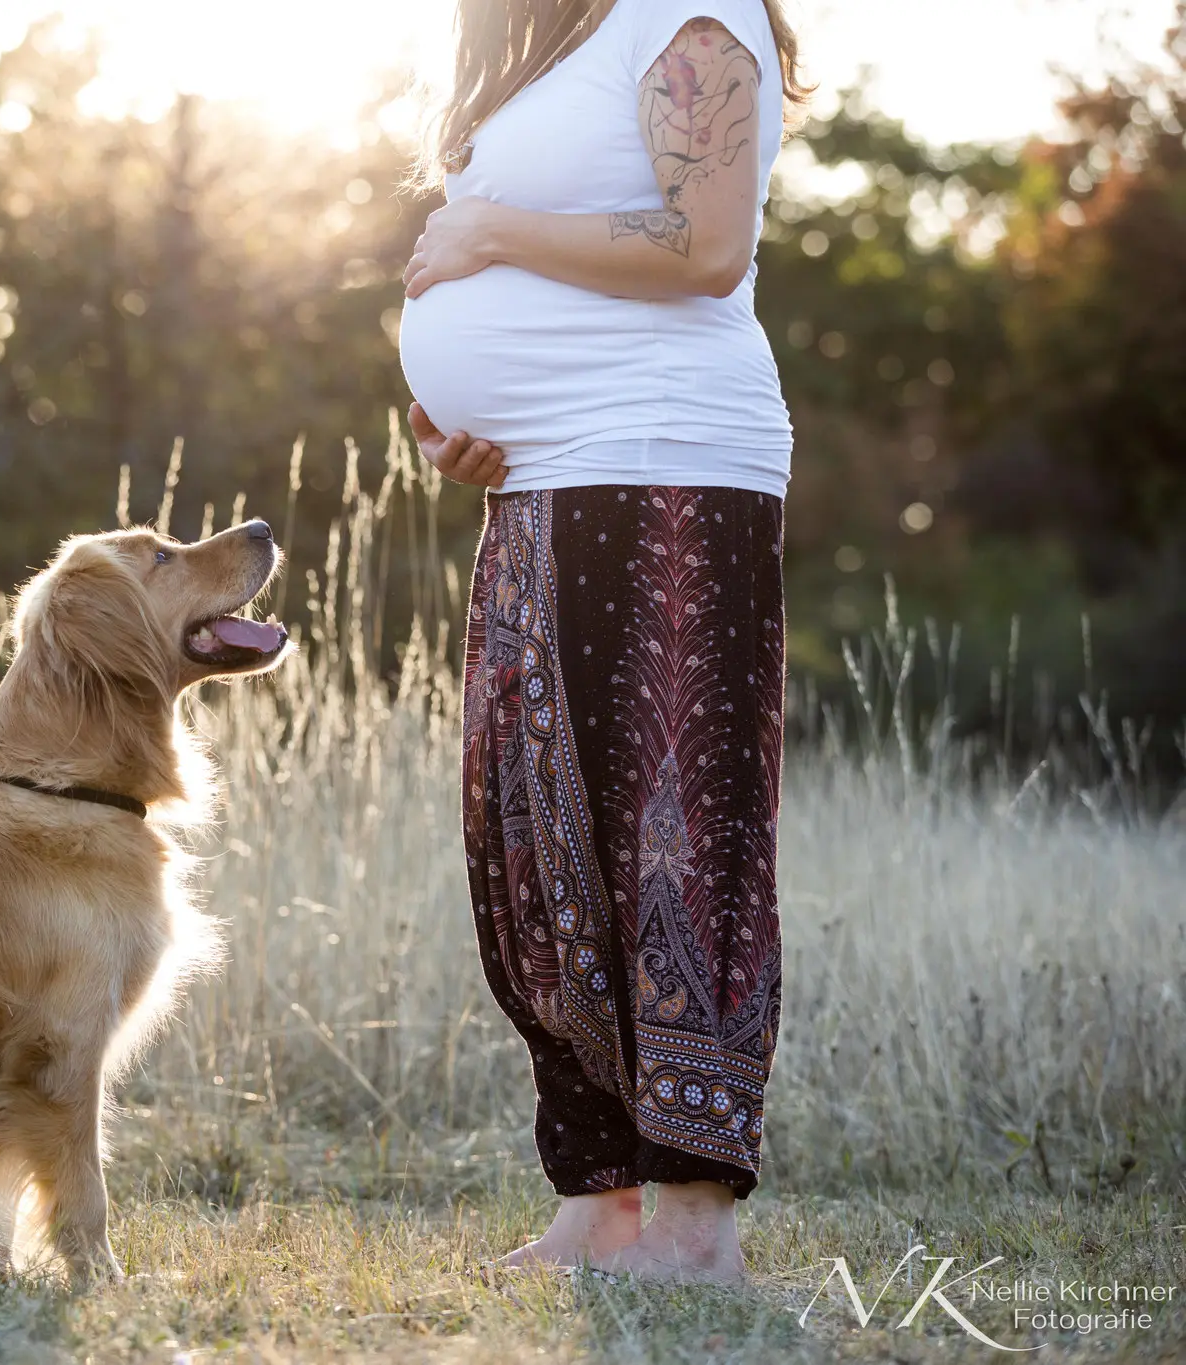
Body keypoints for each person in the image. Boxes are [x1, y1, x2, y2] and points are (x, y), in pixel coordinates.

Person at [398, 0, 808, 1284]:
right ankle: (597, 1204)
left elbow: (703, 244)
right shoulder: (535, 41)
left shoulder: (689, 15)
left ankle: (690, 1228)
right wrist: (456, 427)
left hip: (667, 458)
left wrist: (487, 228)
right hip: (539, 481)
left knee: (673, 847)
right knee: (532, 848)